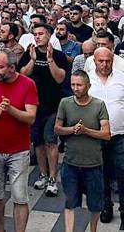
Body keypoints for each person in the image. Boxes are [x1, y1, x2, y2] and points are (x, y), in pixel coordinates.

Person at [0, 49, 38, 232]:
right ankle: (0, 230)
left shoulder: (28, 84)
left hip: (19, 151)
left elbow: (31, 117)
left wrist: (10, 110)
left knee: (20, 197)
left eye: (1, 66)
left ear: (12, 68)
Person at [54, 70, 110, 232]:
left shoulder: (99, 105)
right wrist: (72, 129)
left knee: (95, 205)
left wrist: (86, 131)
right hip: (70, 163)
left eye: (79, 85)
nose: (76, 88)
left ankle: (93, 229)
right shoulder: (65, 103)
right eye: (73, 84)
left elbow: (106, 134)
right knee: (70, 202)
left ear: (88, 86)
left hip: (93, 164)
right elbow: (57, 129)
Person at [19, 23, 68, 197]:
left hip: (53, 105)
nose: (38, 36)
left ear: (49, 35)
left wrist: (49, 60)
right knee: (37, 141)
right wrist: (32, 60)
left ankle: (53, 178)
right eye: (35, 34)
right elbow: (23, 75)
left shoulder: (59, 55)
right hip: (33, 105)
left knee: (50, 140)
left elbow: (60, 78)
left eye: (41, 33)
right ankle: (42, 174)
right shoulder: (29, 53)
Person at [87, 48, 124, 225]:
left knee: (122, 174)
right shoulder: (87, 79)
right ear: (94, 61)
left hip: (119, 136)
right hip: (95, 137)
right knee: (101, 174)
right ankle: (106, 206)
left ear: (112, 60)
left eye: (107, 61)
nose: (104, 64)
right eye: (100, 61)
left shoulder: (121, 77)